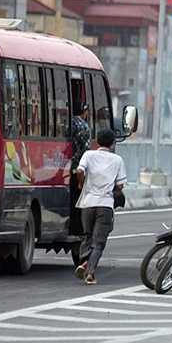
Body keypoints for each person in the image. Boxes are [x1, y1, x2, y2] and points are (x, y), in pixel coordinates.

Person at [74, 128, 127, 285]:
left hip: (87, 204)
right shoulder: (117, 160)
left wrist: (80, 183)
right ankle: (90, 273)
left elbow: (79, 170)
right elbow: (120, 185)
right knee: (99, 242)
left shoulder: (88, 154)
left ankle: (84, 262)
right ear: (112, 143)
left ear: (96, 141)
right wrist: (113, 191)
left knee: (87, 236)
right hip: (105, 205)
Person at [70, 103, 91, 232]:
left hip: (64, 166)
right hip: (77, 169)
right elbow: (85, 151)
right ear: (84, 111)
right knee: (78, 200)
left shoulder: (68, 123)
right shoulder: (84, 126)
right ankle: (77, 228)